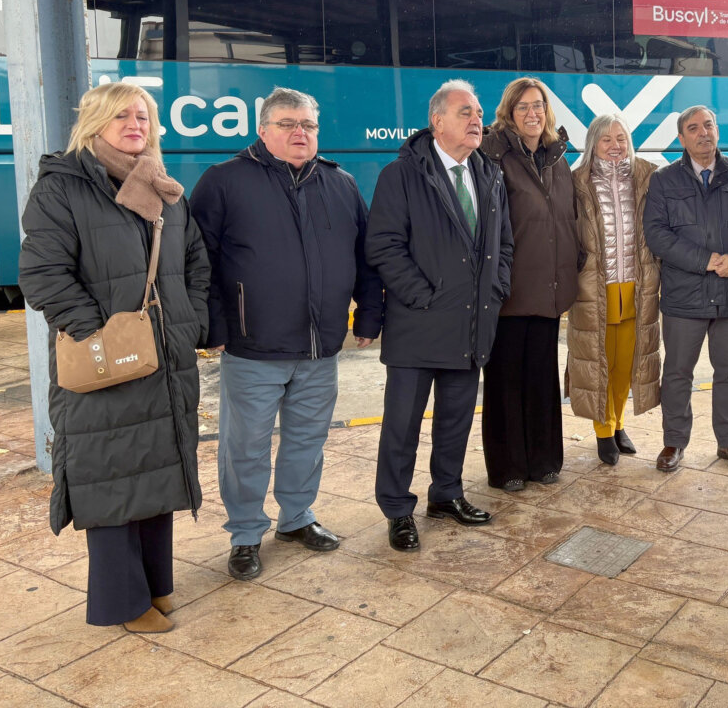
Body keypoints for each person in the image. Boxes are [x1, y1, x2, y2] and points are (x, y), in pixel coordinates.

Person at [18, 82, 209, 633]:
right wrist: (100, 337)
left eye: (143, 116)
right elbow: (43, 275)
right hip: (107, 362)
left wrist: (189, 322)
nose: (135, 125)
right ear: (95, 122)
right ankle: (122, 602)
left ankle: (156, 585)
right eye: (121, 115)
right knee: (109, 476)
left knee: (158, 471)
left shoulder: (163, 187)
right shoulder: (63, 187)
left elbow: (196, 262)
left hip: (164, 361)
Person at [190, 87, 383, 581]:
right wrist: (211, 326)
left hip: (320, 347)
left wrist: (368, 315)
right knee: (245, 447)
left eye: (309, 125)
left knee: (307, 440)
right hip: (252, 346)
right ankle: (245, 533)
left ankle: (296, 518)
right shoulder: (224, 181)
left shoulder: (340, 184)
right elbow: (198, 262)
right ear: (262, 130)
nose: (301, 133)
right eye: (288, 124)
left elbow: (364, 258)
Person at [367, 79, 512, 552]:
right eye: (465, 112)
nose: (477, 120)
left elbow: (503, 243)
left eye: (479, 113)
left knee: (455, 421)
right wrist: (422, 296)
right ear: (437, 122)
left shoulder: (488, 173)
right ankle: (397, 509)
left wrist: (497, 287)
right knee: (402, 427)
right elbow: (383, 245)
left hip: (471, 325)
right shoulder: (401, 175)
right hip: (418, 325)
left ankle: (446, 494)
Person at [644, 105, 728, 473]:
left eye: (708, 125)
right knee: (678, 373)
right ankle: (674, 442)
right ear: (682, 138)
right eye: (693, 128)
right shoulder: (664, 180)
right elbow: (656, 234)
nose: (703, 133)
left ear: (717, 130)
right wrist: (705, 260)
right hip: (685, 296)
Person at [479, 78, 580, 491]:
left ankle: (544, 460)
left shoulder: (557, 157)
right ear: (509, 113)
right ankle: (507, 467)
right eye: (522, 107)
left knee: (541, 378)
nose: (532, 113)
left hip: (550, 288)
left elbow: (569, 218)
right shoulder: (493, 155)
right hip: (509, 290)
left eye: (538, 105)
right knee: (505, 380)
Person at [565, 113, 662, 465]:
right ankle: (603, 431)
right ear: (593, 144)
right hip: (595, 288)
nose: (615, 145)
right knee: (598, 363)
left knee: (625, 364)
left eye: (621, 138)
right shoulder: (577, 182)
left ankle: (618, 422)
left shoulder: (648, 177)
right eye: (606, 139)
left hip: (636, 286)